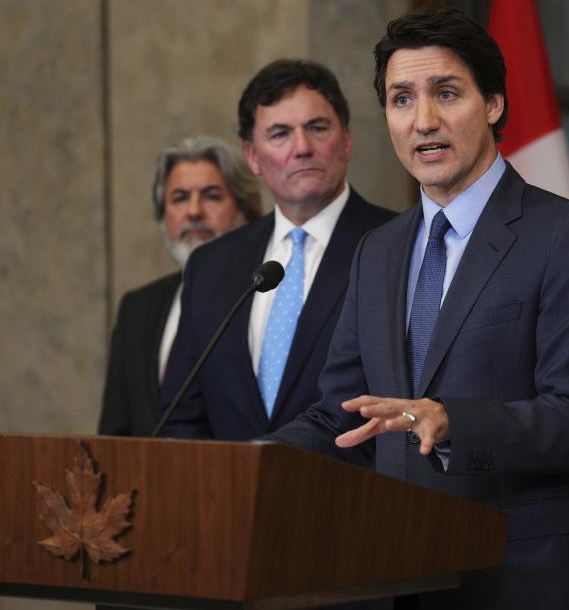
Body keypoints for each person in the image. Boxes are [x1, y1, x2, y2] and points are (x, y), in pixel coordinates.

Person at [271, 8, 569, 610]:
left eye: (447, 93)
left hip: (521, 579)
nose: (423, 121)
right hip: (396, 579)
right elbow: (342, 415)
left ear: (493, 103)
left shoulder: (567, 234)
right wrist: (252, 462)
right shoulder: (376, 251)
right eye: (401, 99)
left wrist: (450, 419)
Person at [157, 59, 396, 439]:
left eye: (317, 128)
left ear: (347, 140)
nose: (302, 148)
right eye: (280, 134)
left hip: (356, 493)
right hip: (228, 495)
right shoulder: (211, 266)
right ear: (252, 156)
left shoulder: (397, 244)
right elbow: (182, 418)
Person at [97, 136, 262, 437]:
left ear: (246, 210)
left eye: (212, 196)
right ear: (163, 217)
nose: (194, 211)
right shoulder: (138, 308)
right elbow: (115, 434)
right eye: (180, 198)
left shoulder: (264, 298)